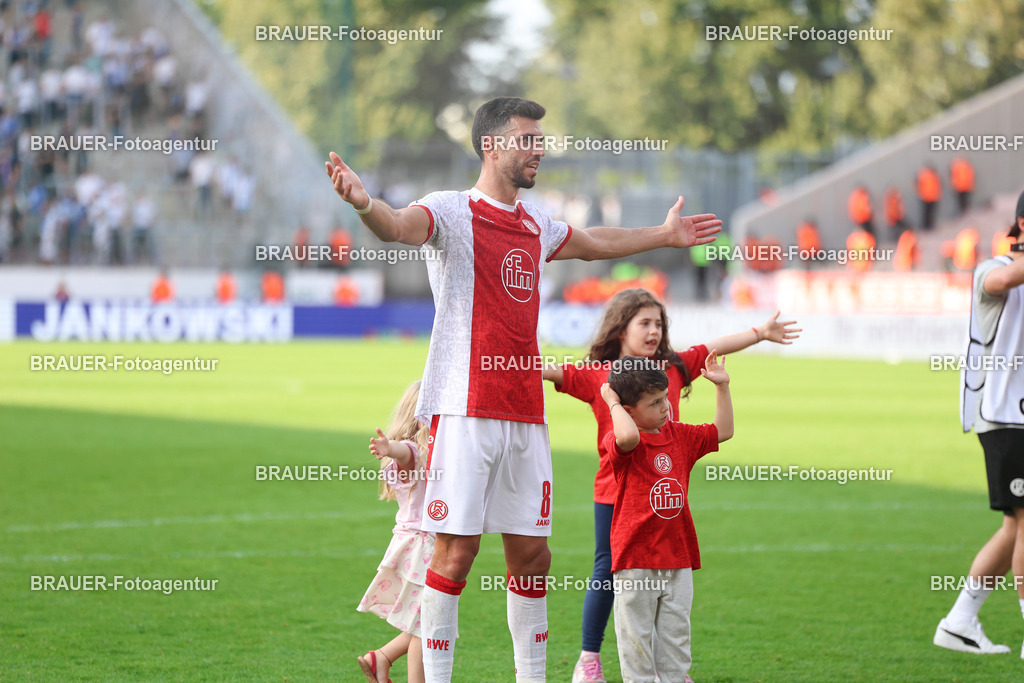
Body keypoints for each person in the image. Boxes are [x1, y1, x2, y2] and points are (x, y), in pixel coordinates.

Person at [325, 96, 723, 683]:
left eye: (542, 139)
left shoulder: (537, 224)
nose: (539, 149)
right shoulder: (452, 210)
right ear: (492, 146)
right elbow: (399, 226)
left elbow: (595, 241)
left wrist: (662, 235)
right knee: (455, 555)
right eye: (528, 139)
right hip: (465, 412)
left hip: (525, 416)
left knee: (533, 558)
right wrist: (365, 206)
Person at [542, 288, 799, 683]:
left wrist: (759, 333)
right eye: (643, 322)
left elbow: (714, 347)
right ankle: (590, 659)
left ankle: (671, 670)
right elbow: (549, 370)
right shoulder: (602, 374)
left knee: (664, 584)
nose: (653, 330)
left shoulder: (672, 367)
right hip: (615, 489)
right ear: (620, 328)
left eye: (658, 323)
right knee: (607, 569)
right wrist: (501, 362)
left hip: (662, 489)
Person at [600, 354, 733, 683]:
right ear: (629, 411)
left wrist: (723, 387)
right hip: (635, 560)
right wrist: (612, 404)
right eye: (655, 402)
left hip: (678, 558)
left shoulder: (681, 436)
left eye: (665, 398)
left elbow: (724, 431)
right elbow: (629, 437)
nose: (666, 407)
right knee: (636, 646)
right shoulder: (622, 439)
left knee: (676, 643)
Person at [935, 192, 1024, 656]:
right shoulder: (991, 267)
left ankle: (960, 619)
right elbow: (1004, 280)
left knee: (1016, 527)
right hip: (1005, 415)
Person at [358, 381, 434, 683]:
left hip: (416, 544)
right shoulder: (415, 450)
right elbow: (406, 455)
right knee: (425, 625)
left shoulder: (433, 450)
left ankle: (382, 657)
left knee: (426, 618)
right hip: (421, 546)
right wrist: (392, 449)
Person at [917, 165, 943, 230]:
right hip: (928, 197)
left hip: (931, 197)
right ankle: (926, 226)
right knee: (927, 213)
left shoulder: (926, 175)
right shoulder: (926, 175)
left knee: (929, 213)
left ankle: (929, 225)